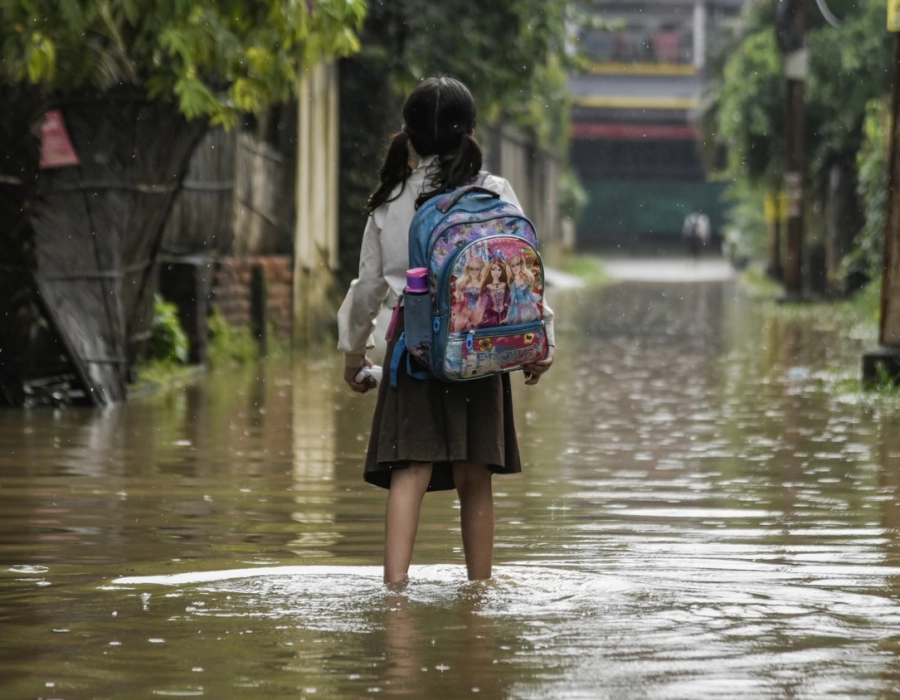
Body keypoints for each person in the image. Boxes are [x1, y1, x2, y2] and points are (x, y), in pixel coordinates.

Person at [337, 76, 556, 586]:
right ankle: (480, 594)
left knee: (408, 471)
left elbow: (368, 288)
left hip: (413, 349)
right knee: (475, 475)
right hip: (479, 346)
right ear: (470, 131)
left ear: (408, 136)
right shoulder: (494, 191)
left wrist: (353, 357)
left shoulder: (390, 201)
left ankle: (395, 594)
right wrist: (541, 341)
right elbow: (523, 274)